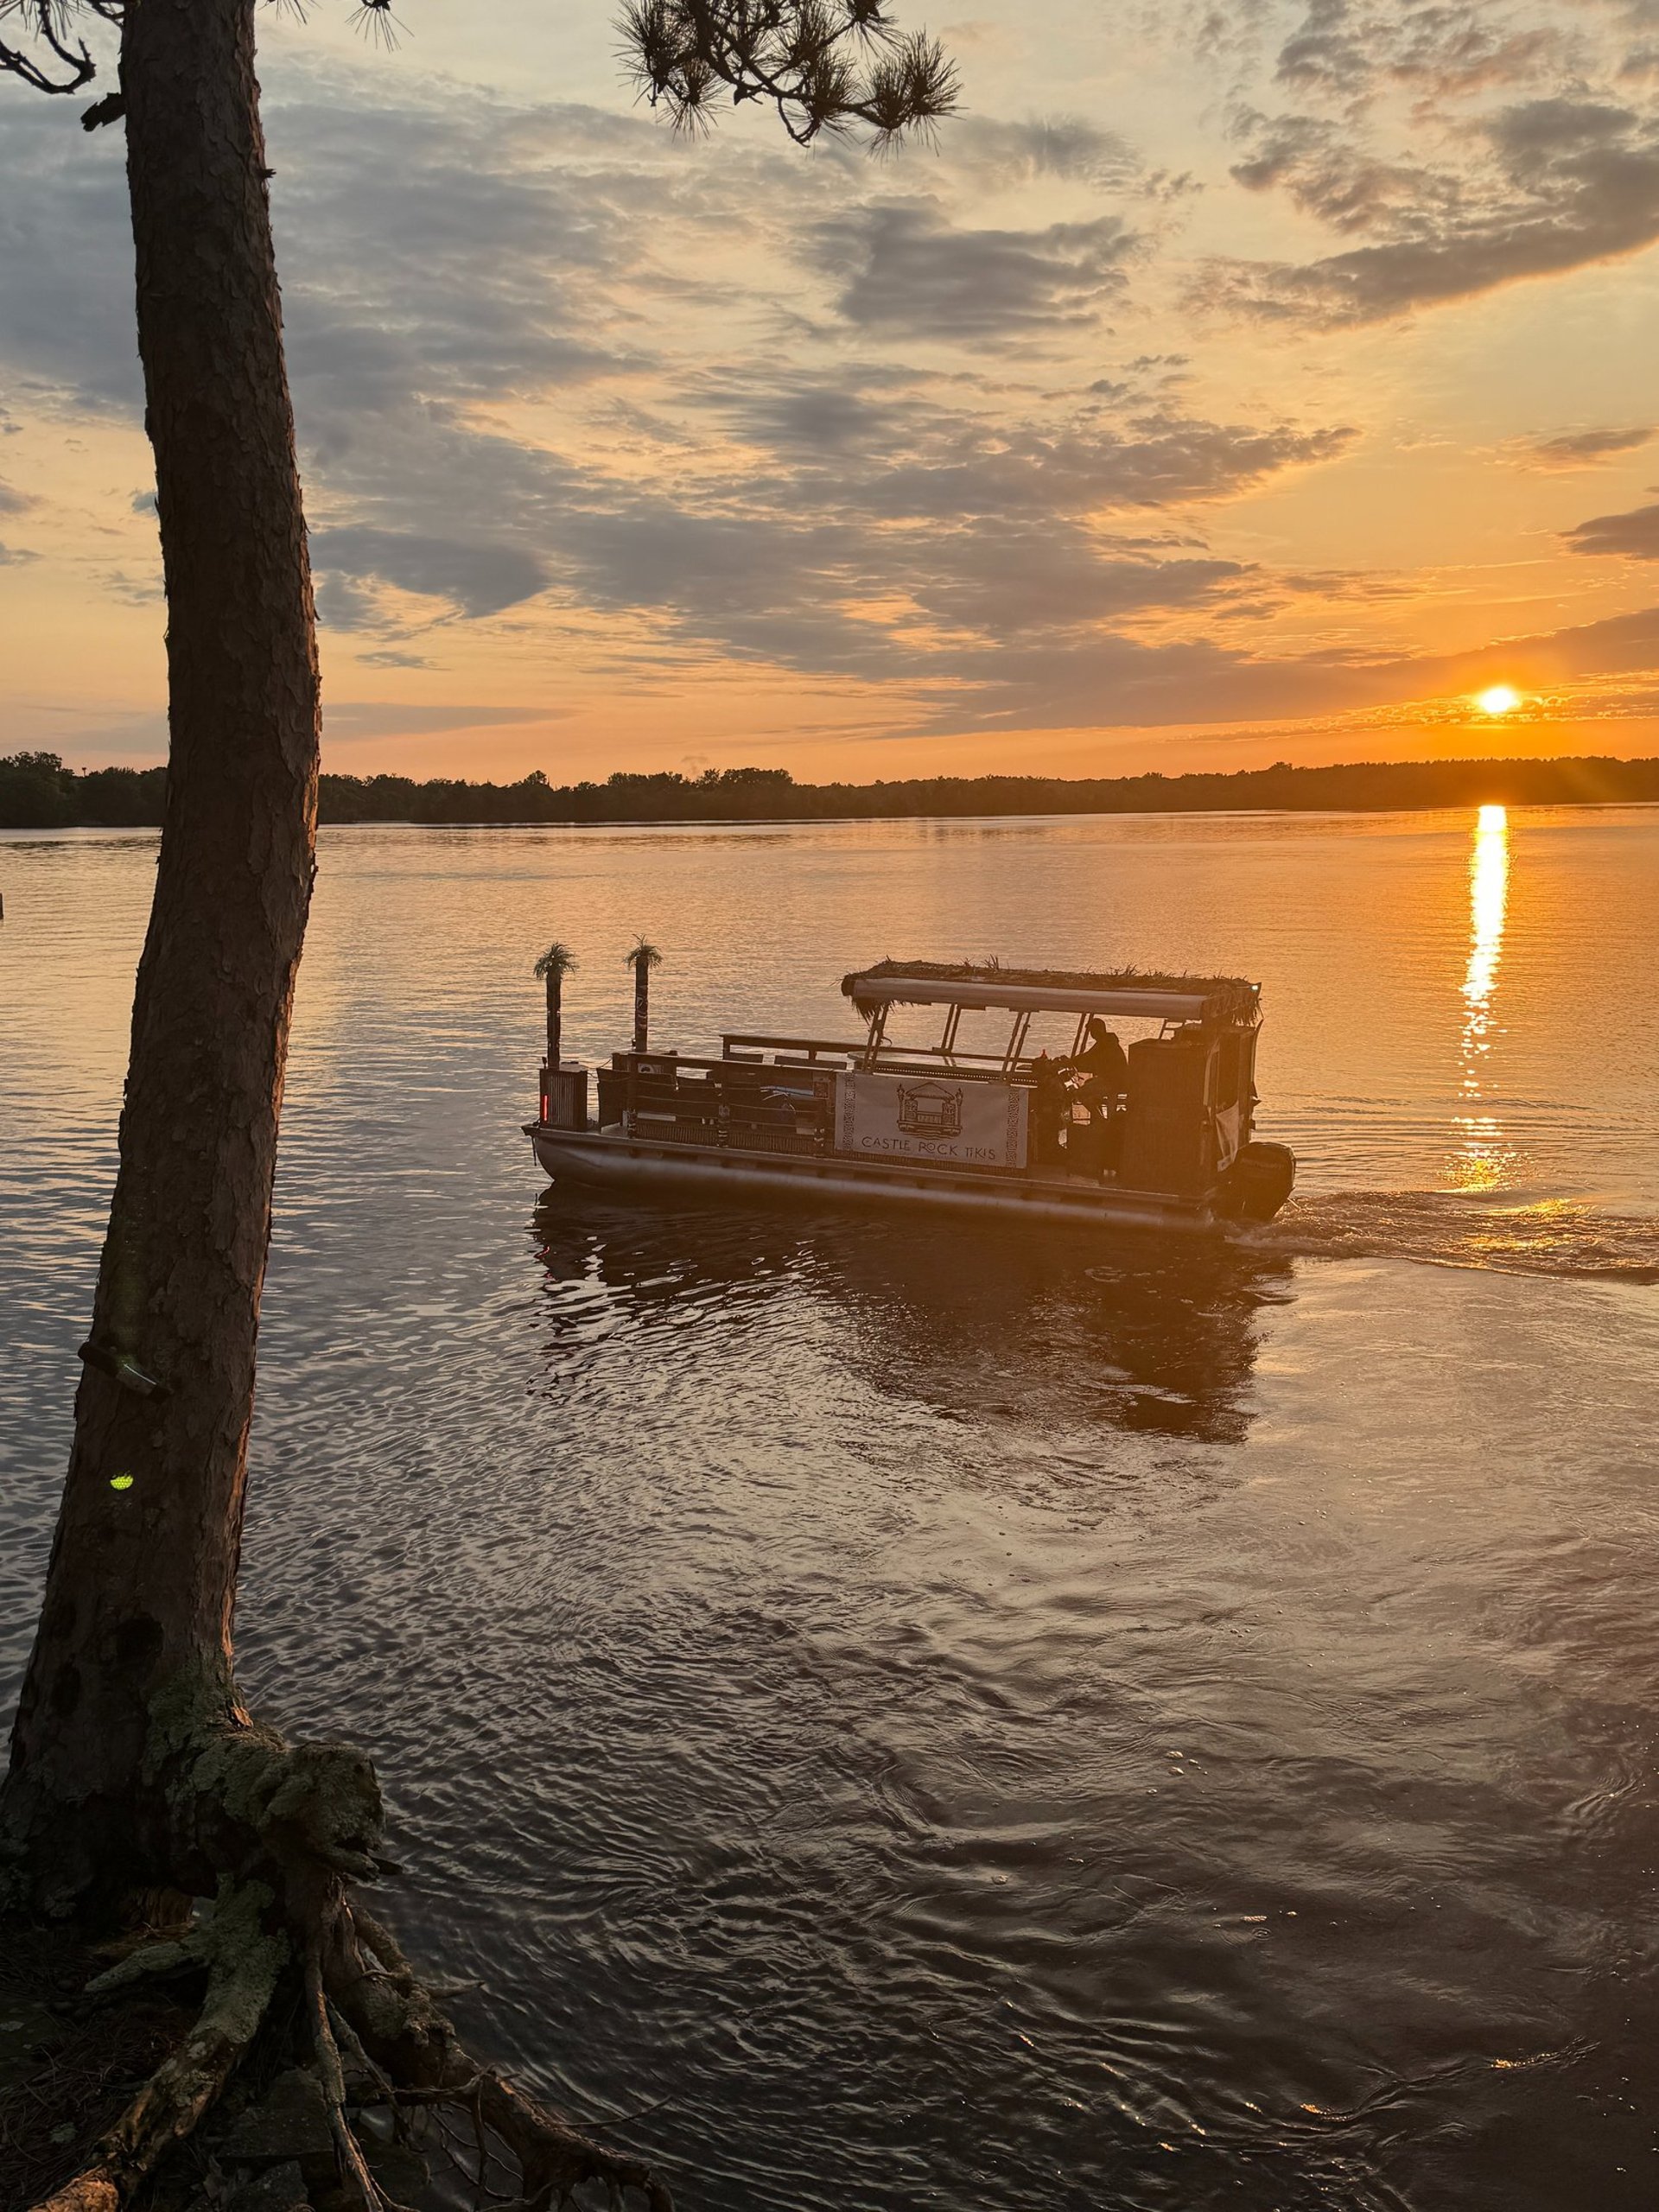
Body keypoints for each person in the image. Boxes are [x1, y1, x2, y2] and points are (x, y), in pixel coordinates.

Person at [1069, 1020, 1128, 1141]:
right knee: (1088, 1083)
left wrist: (1070, 1062)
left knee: (1080, 1093)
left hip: (1112, 1082)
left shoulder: (1104, 1043)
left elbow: (1088, 1056)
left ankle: (1100, 1121)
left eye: (1092, 1031)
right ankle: (1102, 1120)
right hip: (1115, 1080)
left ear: (1098, 1030)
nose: (1092, 1034)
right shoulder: (1108, 1041)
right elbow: (1091, 1058)